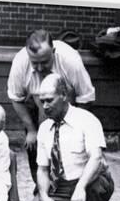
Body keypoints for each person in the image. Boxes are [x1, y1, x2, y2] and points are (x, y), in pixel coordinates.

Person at [25, 73, 114, 201]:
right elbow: (42, 169)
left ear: (64, 95)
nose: (45, 106)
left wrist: (81, 187)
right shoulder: (44, 128)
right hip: (63, 184)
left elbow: (96, 158)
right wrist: (43, 195)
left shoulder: (86, 120)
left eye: (49, 100)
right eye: (42, 102)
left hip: (92, 179)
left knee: (91, 190)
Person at [7, 29, 95, 185]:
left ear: (53, 51)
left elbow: (86, 97)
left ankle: (72, 183)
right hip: (35, 105)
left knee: (68, 144)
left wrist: (75, 126)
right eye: (35, 63)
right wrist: (32, 130)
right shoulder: (20, 62)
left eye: (45, 62)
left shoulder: (70, 61)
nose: (40, 68)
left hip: (68, 105)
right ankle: (41, 188)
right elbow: (16, 98)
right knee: (35, 144)